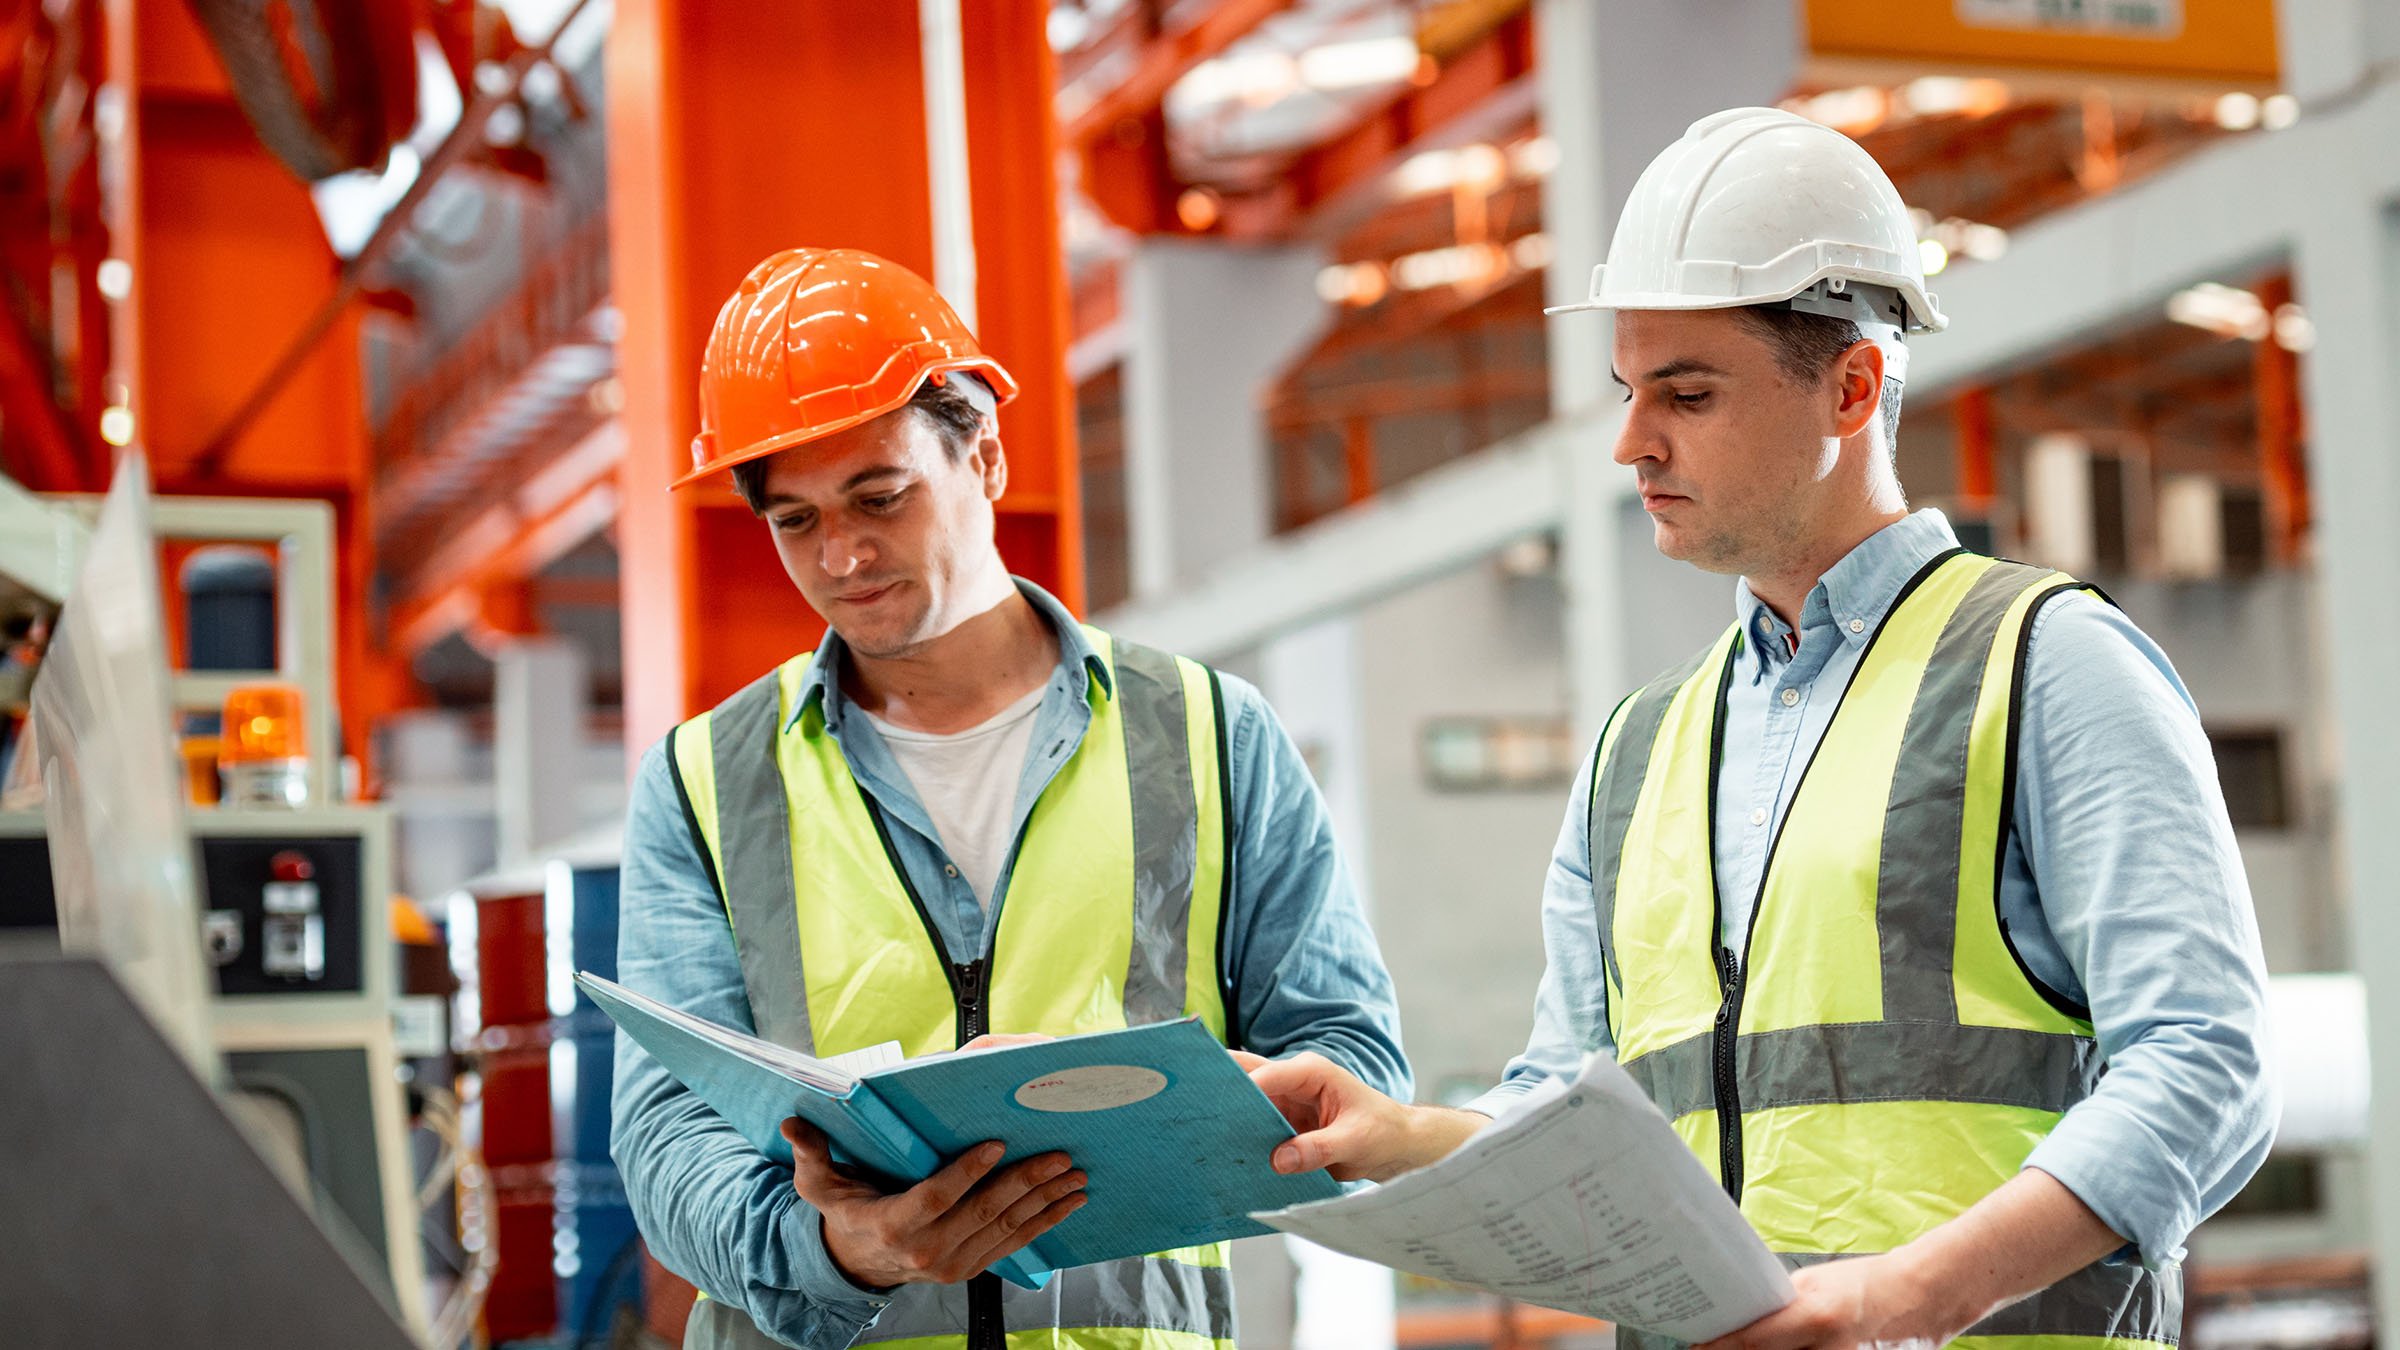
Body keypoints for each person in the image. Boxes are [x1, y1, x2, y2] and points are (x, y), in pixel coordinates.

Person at [1240, 108, 2274, 1350]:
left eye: (1687, 393)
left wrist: (1904, 1298)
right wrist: (1395, 1134)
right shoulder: (1639, 749)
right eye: (1629, 391)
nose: (1632, 441)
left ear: (1852, 388)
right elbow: (1588, 1127)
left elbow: (2205, 1065)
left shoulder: (2047, 666)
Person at [610, 247, 1410, 1350]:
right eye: (794, 520)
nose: (841, 555)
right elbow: (668, 1129)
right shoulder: (707, 780)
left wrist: (1207, 1108)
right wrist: (851, 1252)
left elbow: (1351, 1062)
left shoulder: (1209, 737)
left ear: (983, 455)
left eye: (879, 497)